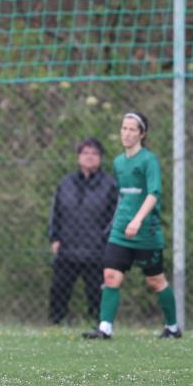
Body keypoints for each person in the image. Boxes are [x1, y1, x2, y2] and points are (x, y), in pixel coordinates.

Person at [84, 112, 181, 340]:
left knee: (155, 281)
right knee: (111, 277)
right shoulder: (118, 162)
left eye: (132, 129)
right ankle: (105, 328)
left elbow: (154, 193)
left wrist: (137, 220)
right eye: (123, 128)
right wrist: (121, 221)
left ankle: (173, 328)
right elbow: (124, 197)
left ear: (142, 134)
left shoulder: (149, 161)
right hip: (121, 231)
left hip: (145, 231)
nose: (126, 133)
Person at [47, 138, 118, 324]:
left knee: (96, 291)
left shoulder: (110, 185)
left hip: (96, 250)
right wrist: (54, 238)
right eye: (85, 153)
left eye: (94, 154)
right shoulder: (65, 184)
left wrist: (106, 242)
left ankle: (98, 324)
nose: (89, 157)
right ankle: (56, 322)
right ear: (79, 157)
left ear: (101, 158)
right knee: (59, 288)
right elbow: (56, 212)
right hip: (68, 248)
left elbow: (116, 218)